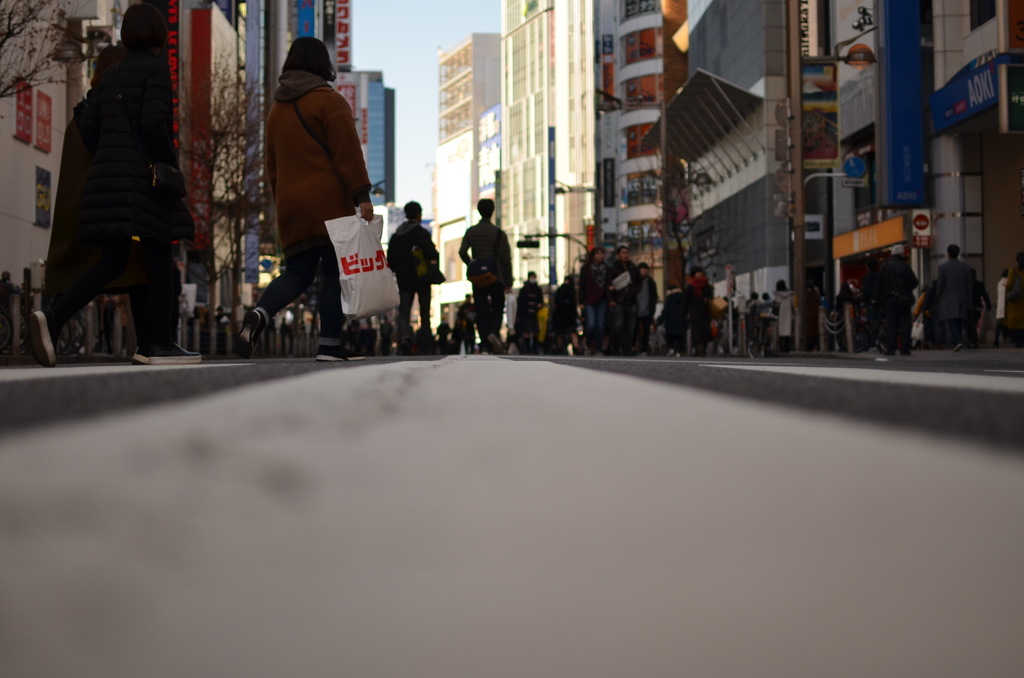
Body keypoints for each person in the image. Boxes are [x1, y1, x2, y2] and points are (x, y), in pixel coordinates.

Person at [29, 4, 197, 367]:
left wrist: (112, 155)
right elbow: (155, 126)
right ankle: (160, 344)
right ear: (158, 34)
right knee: (159, 257)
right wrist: (168, 162)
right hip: (143, 185)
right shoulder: (155, 69)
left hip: (107, 183)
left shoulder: (110, 76)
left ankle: (54, 317)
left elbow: (88, 126)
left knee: (113, 261)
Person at [236, 37, 373, 362]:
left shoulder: (275, 111)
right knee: (336, 271)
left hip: (290, 204)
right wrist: (362, 194)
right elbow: (348, 154)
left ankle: (261, 313)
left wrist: (282, 201)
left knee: (298, 272)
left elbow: (272, 168)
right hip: (328, 205)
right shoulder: (330, 101)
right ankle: (328, 345)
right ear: (321, 64)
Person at [459, 199, 512, 354]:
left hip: (478, 277)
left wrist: (471, 264)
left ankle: (484, 344)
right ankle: (493, 332)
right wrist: (508, 281)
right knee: (497, 305)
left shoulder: (471, 231)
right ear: (492, 211)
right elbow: (505, 258)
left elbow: (462, 251)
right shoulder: (499, 233)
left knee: (481, 309)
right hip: (496, 276)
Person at [387, 201, 438, 355]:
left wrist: (400, 270)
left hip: (404, 279)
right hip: (422, 278)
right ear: (418, 215)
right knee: (424, 312)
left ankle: (405, 339)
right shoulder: (422, 233)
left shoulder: (396, 236)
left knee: (404, 311)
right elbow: (432, 254)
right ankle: (425, 343)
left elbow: (390, 260)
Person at [877, 244, 918, 356]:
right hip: (904, 299)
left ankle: (891, 348)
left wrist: (881, 299)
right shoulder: (905, 267)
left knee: (892, 324)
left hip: (890, 300)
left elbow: (880, 285)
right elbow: (914, 282)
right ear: (902, 254)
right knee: (905, 324)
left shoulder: (885, 267)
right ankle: (905, 348)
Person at [936, 243, 973, 351]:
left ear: (948, 254)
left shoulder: (943, 267)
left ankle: (957, 341)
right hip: (962, 297)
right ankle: (958, 340)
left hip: (948, 298)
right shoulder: (966, 267)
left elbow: (940, 284)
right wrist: (970, 299)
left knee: (951, 320)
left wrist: (937, 296)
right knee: (959, 320)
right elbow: (969, 284)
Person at [606, 246, 641, 356]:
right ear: (618, 255)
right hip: (618, 301)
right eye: (623, 253)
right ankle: (615, 346)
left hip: (631, 300)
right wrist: (611, 299)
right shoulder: (613, 268)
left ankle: (627, 349)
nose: (625, 255)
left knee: (630, 327)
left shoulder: (633, 268)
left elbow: (639, 283)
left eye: (627, 253)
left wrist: (633, 292)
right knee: (618, 325)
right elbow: (608, 286)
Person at [579, 248, 609, 355]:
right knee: (591, 324)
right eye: (598, 254)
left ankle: (598, 348)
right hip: (589, 300)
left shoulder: (606, 268)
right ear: (592, 256)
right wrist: (581, 301)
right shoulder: (586, 269)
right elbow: (582, 285)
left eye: (601, 254)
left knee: (600, 325)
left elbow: (607, 284)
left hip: (602, 299)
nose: (600, 256)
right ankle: (587, 343)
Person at [681, 267, 713, 356]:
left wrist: (708, 299)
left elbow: (711, 296)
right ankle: (699, 349)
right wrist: (684, 313)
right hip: (695, 312)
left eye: (700, 272)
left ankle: (703, 348)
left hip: (705, 312)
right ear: (693, 274)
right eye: (697, 272)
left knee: (706, 331)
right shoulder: (690, 287)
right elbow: (685, 301)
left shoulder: (706, 285)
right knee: (697, 332)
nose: (699, 274)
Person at [516, 272, 544, 354]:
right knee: (527, 332)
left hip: (535, 314)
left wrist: (539, 305)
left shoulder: (538, 289)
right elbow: (520, 303)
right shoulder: (524, 290)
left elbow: (541, 301)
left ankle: (534, 348)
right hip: (526, 314)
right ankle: (527, 348)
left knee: (535, 332)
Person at [552, 275, 580, 355]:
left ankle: (571, 348)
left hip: (564, 315)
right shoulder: (568, 290)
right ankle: (574, 347)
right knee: (567, 332)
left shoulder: (563, 290)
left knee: (568, 332)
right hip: (565, 315)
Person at [635, 263, 658, 355]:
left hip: (647, 310)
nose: (645, 270)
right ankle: (634, 347)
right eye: (642, 269)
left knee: (646, 330)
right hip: (636, 309)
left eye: (646, 269)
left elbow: (654, 297)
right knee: (634, 330)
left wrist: (652, 310)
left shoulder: (651, 282)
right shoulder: (634, 281)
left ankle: (644, 349)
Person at [966, 268, 993, 348]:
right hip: (978, 307)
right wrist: (989, 306)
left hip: (969, 307)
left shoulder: (966, 285)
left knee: (970, 324)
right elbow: (985, 296)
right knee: (974, 323)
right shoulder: (979, 284)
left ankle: (972, 340)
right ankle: (974, 340)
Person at [658, 284, 686, 356]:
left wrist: (660, 320)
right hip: (681, 323)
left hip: (670, 324)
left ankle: (671, 349)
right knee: (679, 339)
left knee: (670, 339)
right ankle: (679, 351)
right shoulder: (683, 298)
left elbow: (665, 312)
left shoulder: (669, 299)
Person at [1006, 252, 1024, 348]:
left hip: (1015, 300)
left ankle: (1018, 341)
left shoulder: (1013, 270)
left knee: (1016, 322)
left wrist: (1008, 292)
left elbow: (1008, 285)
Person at [773, 280, 796, 353]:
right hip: (788, 314)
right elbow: (793, 305)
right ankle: (787, 348)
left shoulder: (778, 295)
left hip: (781, 314)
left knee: (781, 331)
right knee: (788, 331)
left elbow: (776, 304)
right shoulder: (790, 295)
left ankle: (781, 348)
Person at [995, 269, 1009, 348]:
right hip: (1007, 306)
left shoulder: (999, 283)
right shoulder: (1009, 283)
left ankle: (996, 340)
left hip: (1000, 307)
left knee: (999, 325)